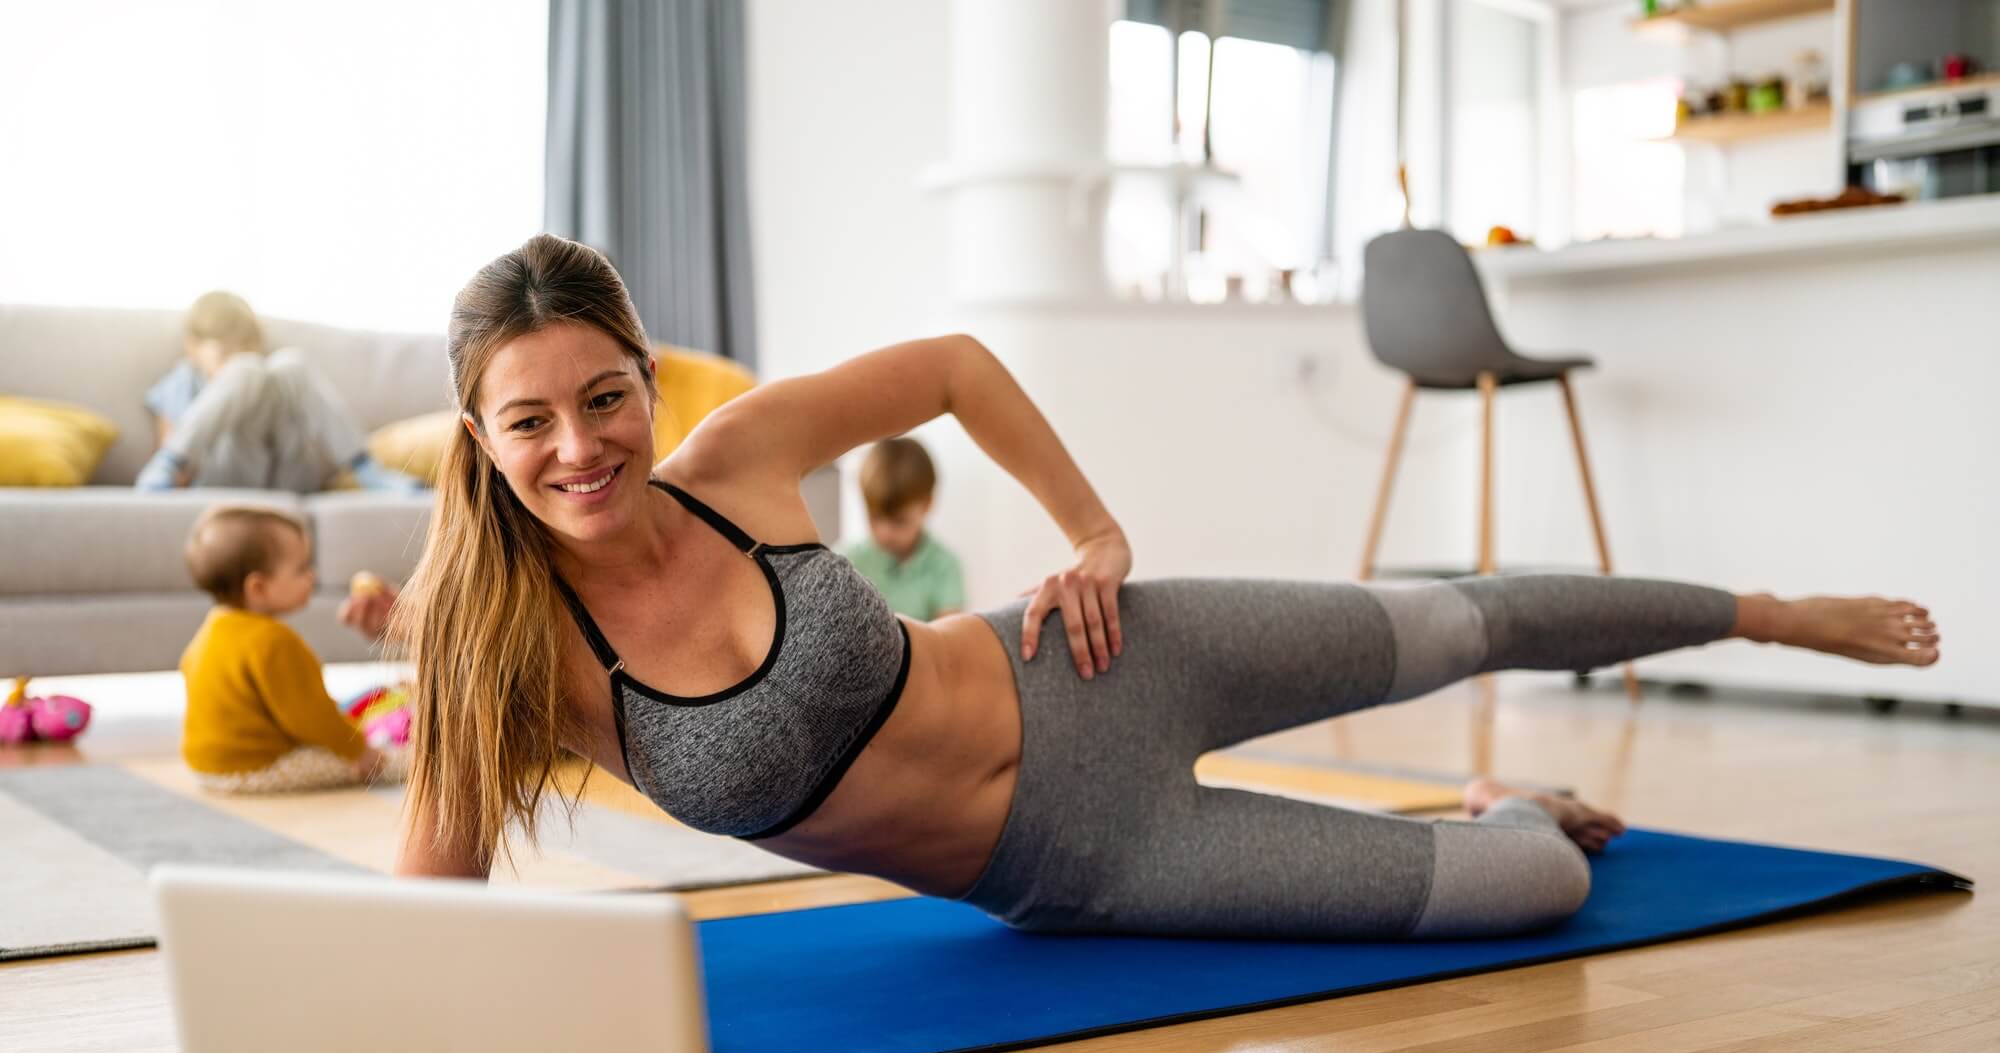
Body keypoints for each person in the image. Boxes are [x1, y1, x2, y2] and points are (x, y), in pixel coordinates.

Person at [367, 234, 1940, 940]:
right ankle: (1499, 806)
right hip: (1090, 857)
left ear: (648, 378)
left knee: (1463, 617)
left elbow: (955, 367)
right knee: (1531, 892)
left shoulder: (745, 456)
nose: (581, 446)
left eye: (607, 397)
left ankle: (1760, 610)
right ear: (479, 435)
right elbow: (425, 912)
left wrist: (1096, 530)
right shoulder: (511, 657)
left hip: (1103, 660)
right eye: (531, 420)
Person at [181, 505, 399, 794]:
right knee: (395, 761)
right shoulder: (274, 641)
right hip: (258, 766)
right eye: (301, 569)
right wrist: (360, 751)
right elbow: (312, 717)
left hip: (205, 767)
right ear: (258, 587)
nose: (312, 576)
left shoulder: (209, 631)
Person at [137, 290, 422, 493]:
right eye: (225, 352)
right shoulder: (182, 382)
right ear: (192, 347)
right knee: (246, 369)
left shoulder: (272, 375)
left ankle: (366, 470)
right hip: (224, 477)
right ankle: (169, 462)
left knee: (291, 364)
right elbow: (169, 443)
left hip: (288, 476)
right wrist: (171, 468)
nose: (236, 357)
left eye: (244, 348)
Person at [842, 435, 965, 620]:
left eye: (899, 521)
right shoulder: (847, 561)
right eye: (874, 517)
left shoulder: (944, 567)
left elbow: (949, 636)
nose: (884, 532)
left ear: (927, 505)